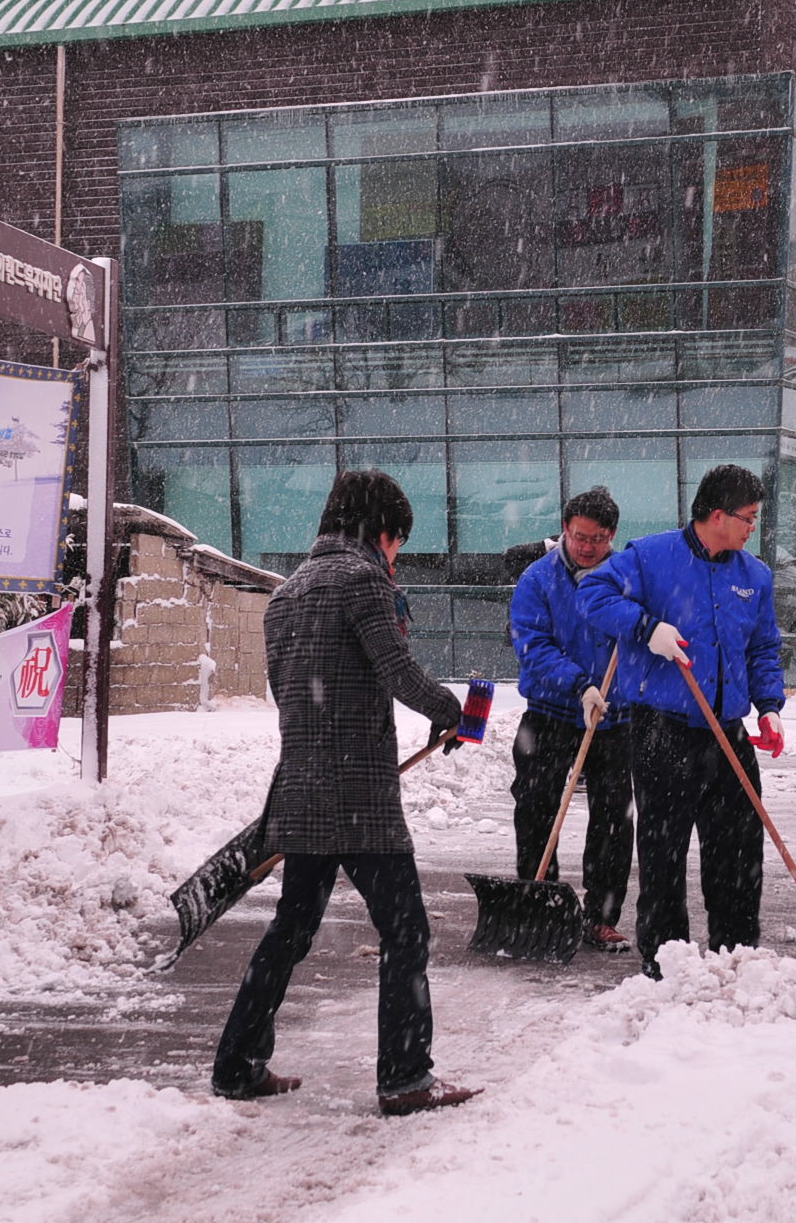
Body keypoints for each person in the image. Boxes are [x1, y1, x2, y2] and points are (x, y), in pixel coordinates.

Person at [212, 469, 480, 1118]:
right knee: (406, 929)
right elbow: (395, 670)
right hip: (357, 796)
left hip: (301, 789)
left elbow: (297, 693)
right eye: (397, 543)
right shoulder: (363, 582)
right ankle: (405, 1077)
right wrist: (451, 711)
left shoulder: (287, 594)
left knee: (292, 929)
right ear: (381, 532)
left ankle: (238, 1064)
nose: (395, 556)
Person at [577, 465, 785, 977]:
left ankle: (736, 954)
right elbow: (592, 597)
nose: (752, 527)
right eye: (748, 518)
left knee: (737, 851)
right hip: (663, 730)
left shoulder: (753, 576)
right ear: (718, 516)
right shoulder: (650, 558)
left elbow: (763, 648)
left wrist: (771, 707)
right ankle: (667, 960)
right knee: (663, 851)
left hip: (728, 733)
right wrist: (646, 628)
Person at [508, 486, 635, 951]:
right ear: (565, 529)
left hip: (614, 718)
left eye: (599, 539)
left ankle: (601, 917)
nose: (587, 547)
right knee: (536, 807)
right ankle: (542, 905)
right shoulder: (537, 580)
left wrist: (616, 687)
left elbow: (638, 638)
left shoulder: (627, 579)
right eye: (580, 536)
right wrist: (579, 684)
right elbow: (532, 646)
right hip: (550, 712)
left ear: (613, 536)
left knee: (613, 819)